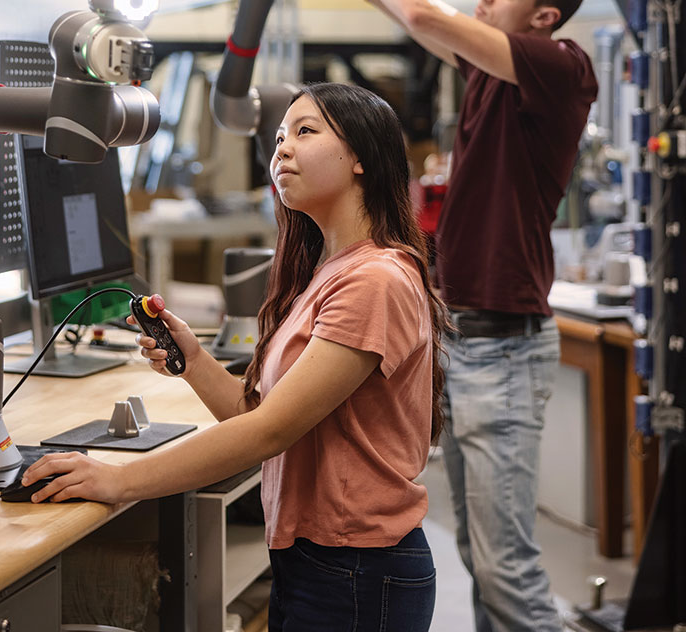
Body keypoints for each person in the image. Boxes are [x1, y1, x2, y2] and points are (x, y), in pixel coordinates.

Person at [280, 0, 598, 632]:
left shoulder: (557, 69)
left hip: (503, 344)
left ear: (544, 17)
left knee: (507, 570)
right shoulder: (491, 69)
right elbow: (388, 1)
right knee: (482, 566)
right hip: (466, 342)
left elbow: (422, 15)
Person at [23, 82, 451, 631]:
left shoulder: (375, 280)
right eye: (278, 137)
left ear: (363, 158)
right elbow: (259, 415)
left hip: (357, 569)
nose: (282, 149)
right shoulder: (329, 273)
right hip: (318, 561)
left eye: (305, 131)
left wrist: (118, 480)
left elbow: (269, 433)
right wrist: (195, 361)